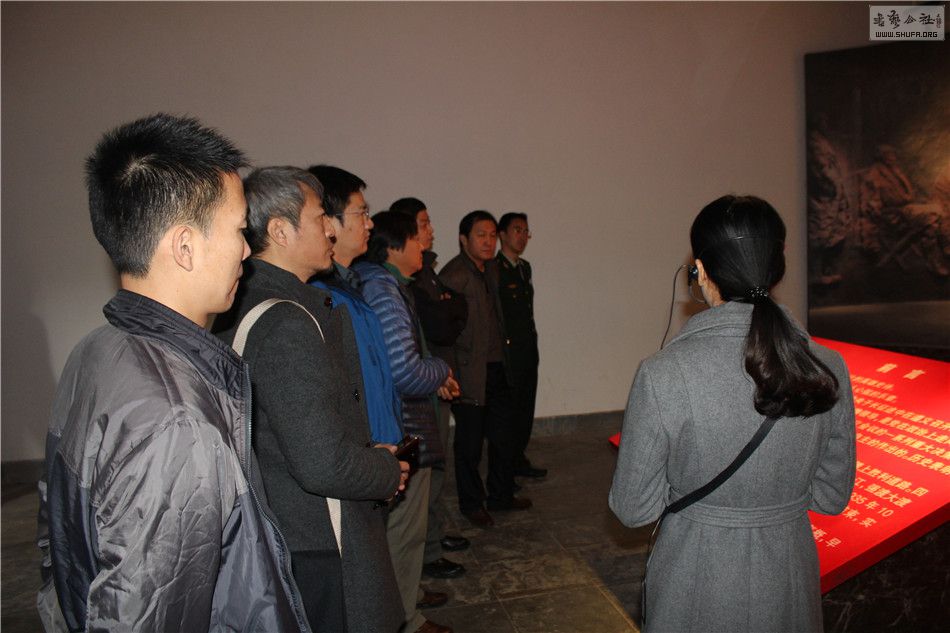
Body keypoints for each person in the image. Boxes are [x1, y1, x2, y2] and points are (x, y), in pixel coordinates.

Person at [37, 114, 310, 632]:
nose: (247, 251)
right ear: (185, 246)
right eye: (238, 231)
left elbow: (61, 542)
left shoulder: (95, 350)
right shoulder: (177, 423)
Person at [609, 195, 856, 632]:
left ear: (701, 272)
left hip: (693, 576)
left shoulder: (664, 372)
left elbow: (633, 508)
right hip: (788, 575)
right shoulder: (826, 366)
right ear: (777, 267)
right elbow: (831, 495)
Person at [213, 167, 406, 633]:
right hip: (315, 539)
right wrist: (384, 469)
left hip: (288, 528)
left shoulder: (249, 304)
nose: (330, 230)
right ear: (280, 231)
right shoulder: (286, 324)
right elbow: (322, 463)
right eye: (320, 218)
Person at [354, 211, 460, 633]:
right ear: (395, 246)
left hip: (403, 422)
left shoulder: (384, 284)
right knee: (404, 531)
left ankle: (408, 597)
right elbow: (404, 370)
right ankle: (405, 619)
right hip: (403, 425)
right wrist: (441, 370)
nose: (425, 245)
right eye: (418, 238)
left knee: (404, 530)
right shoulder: (382, 289)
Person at [390, 197, 470, 578]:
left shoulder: (425, 272)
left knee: (434, 471)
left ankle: (432, 539)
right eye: (423, 224)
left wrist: (451, 307)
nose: (431, 230)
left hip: (433, 381)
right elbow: (437, 323)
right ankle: (426, 552)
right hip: (419, 390)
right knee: (422, 475)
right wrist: (449, 308)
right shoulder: (395, 284)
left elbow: (456, 311)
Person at [438, 211, 530, 527]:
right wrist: (450, 374)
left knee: (503, 437)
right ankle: (472, 503)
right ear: (464, 239)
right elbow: (445, 334)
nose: (489, 241)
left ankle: (501, 494)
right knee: (470, 445)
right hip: (469, 373)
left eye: (492, 235)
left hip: (497, 368)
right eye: (481, 235)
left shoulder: (491, 269)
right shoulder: (454, 275)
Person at [496, 212, 546, 479]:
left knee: (526, 407)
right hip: (509, 352)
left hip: (528, 349)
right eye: (517, 230)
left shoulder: (524, 268)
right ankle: (507, 464)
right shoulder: (495, 269)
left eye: (526, 231)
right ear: (502, 234)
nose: (523, 236)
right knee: (510, 411)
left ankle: (518, 458)